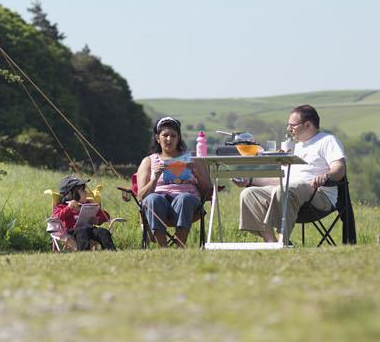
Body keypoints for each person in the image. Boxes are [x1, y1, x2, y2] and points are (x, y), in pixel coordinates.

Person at [236, 104, 344, 243]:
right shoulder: (294, 147)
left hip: (318, 196)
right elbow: (283, 180)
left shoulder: (327, 140)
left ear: (307, 125)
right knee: (249, 194)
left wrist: (326, 176)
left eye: (292, 125)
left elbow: (340, 167)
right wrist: (250, 181)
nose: (288, 129)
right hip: (288, 192)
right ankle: (272, 244)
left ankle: (283, 241)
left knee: (286, 189)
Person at [135, 116, 211, 246]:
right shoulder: (148, 161)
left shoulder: (193, 159)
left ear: (178, 138)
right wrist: (155, 178)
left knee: (184, 198)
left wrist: (196, 173)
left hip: (188, 205)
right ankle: (164, 248)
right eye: (165, 135)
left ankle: (180, 247)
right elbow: (141, 196)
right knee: (153, 199)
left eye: (173, 136)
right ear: (158, 138)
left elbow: (208, 192)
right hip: (159, 203)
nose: (169, 139)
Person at [51, 176, 113, 251]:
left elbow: (106, 216)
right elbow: (56, 218)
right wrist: (68, 208)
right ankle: (84, 253)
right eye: (83, 190)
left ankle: (111, 251)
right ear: (72, 193)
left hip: (89, 229)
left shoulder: (88, 204)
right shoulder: (63, 206)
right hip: (72, 231)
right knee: (82, 232)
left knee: (103, 232)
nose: (86, 192)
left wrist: (97, 220)